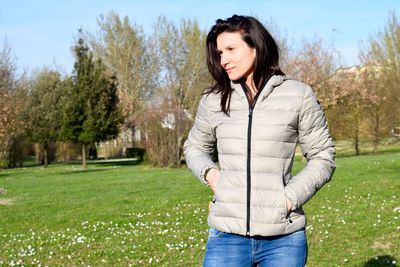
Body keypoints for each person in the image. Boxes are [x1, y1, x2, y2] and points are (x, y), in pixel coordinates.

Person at [183, 15, 336, 267]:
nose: (224, 60)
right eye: (220, 53)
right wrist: (211, 174)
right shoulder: (213, 100)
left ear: (256, 46)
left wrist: (289, 198)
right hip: (226, 237)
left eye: (231, 49)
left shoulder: (297, 95)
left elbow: (323, 156)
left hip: (283, 239)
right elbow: (194, 146)